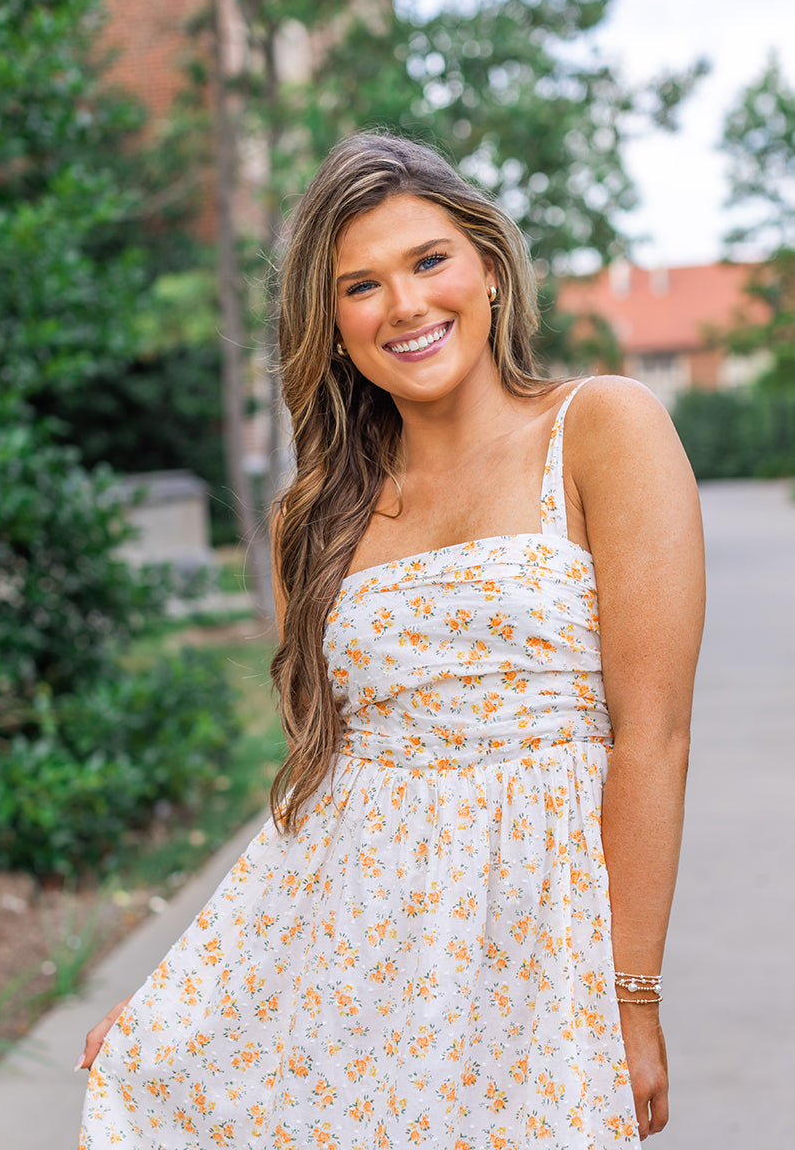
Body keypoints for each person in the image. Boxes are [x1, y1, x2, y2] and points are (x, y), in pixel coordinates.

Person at [78, 132, 704, 1148]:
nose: (405, 306)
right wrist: (187, 998)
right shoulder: (313, 518)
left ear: (490, 271)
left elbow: (654, 741)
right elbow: (320, 787)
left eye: (428, 261)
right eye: (360, 286)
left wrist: (631, 999)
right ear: (330, 328)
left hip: (541, 953)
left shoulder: (602, 430)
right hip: (360, 957)